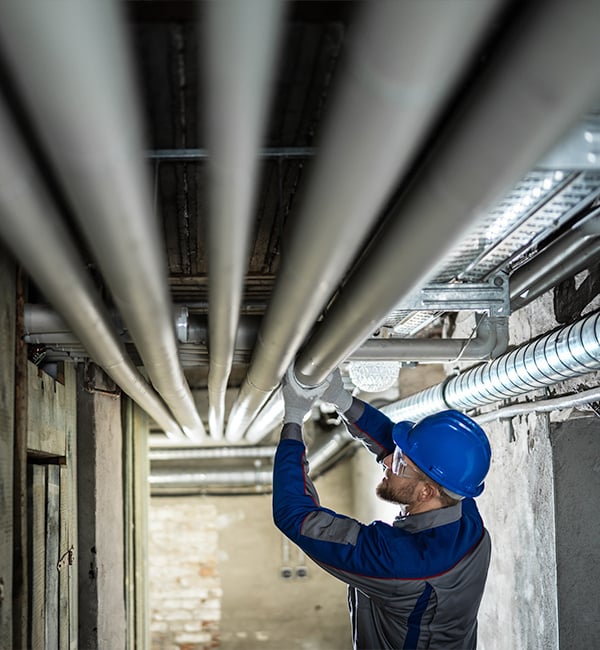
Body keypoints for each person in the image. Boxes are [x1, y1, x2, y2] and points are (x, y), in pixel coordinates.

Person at [272, 365, 492, 650]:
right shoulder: (463, 514)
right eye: (398, 457)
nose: (388, 462)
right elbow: (396, 449)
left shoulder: (403, 563)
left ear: (427, 491)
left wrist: (292, 418)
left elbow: (296, 516)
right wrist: (341, 399)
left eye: (399, 464)